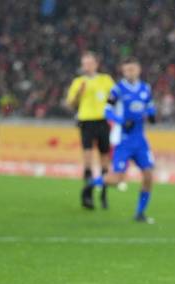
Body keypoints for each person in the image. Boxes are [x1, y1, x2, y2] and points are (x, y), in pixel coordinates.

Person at [82, 57, 156, 223]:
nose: (130, 72)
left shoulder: (146, 88)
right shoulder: (117, 89)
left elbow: (150, 106)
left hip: (140, 141)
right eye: (127, 69)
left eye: (133, 69)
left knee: (149, 176)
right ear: (123, 71)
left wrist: (152, 115)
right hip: (123, 140)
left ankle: (139, 213)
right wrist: (122, 121)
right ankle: (91, 185)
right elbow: (107, 111)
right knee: (116, 179)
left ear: (139, 69)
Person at [66, 51, 115, 209]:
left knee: (104, 160)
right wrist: (79, 94)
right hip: (86, 122)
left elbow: (115, 97)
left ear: (96, 64)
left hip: (103, 121)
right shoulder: (78, 82)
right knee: (87, 158)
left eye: (90, 63)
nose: (87, 66)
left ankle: (103, 195)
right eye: (84, 63)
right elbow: (71, 104)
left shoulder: (105, 80)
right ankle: (88, 195)